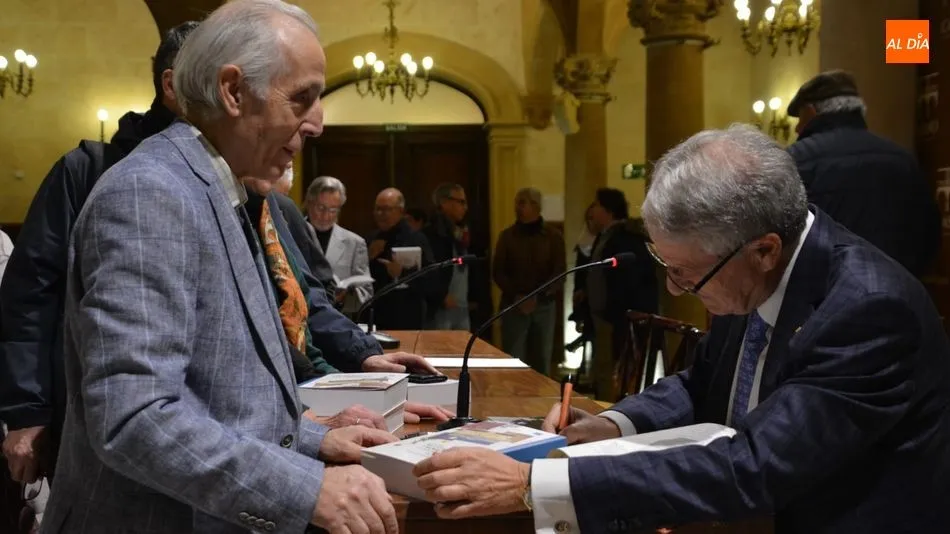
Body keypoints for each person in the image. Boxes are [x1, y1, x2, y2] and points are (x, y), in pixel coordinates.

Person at [412, 124, 950, 534]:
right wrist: (615, 424)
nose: (674, 289)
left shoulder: (869, 310)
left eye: (687, 273)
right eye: (665, 265)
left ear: (764, 250)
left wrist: (532, 484)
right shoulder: (754, 272)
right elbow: (701, 383)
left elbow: (754, 468)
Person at [42, 2, 403, 532]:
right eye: (302, 97)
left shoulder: (219, 187)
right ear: (234, 91)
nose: (318, 123)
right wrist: (304, 489)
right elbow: (135, 418)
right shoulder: (150, 193)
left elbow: (219, 392)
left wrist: (315, 438)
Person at [0, 21, 200, 490]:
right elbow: (30, 294)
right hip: (86, 413)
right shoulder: (87, 169)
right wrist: (27, 412)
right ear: (172, 85)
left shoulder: (225, 175)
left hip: (192, 423)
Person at [787, 69, 940, 276]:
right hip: (898, 287)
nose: (797, 128)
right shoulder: (903, 160)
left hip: (824, 291)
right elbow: (929, 235)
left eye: (800, 117)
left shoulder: (797, 160)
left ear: (811, 111)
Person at [583, 188, 658, 400]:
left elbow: (628, 281)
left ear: (608, 210)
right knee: (603, 370)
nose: (592, 210)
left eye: (597, 205)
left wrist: (616, 313)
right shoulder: (606, 236)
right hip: (603, 317)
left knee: (614, 372)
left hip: (617, 319)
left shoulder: (625, 238)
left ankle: (610, 410)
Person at [492, 188, 566, 375]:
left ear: (536, 206)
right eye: (517, 203)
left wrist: (538, 296)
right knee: (513, 358)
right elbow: (498, 271)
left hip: (543, 306)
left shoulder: (553, 237)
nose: (518, 208)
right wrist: (517, 296)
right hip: (514, 304)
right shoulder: (507, 236)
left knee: (541, 359)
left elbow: (559, 272)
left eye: (523, 203)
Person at [365, 187, 435, 330]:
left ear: (401, 211)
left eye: (387, 209)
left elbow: (431, 280)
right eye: (378, 209)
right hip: (374, 315)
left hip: (405, 317)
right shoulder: (371, 238)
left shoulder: (415, 239)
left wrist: (402, 273)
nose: (381, 214)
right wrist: (368, 257)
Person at [305, 176, 372, 315]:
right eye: (321, 208)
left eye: (333, 210)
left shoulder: (355, 243)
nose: (326, 216)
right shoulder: (291, 234)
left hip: (338, 318)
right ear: (309, 203)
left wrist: (345, 298)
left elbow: (366, 294)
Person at [423, 183, 472, 331]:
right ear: (444, 202)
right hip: (441, 307)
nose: (465, 207)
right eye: (461, 202)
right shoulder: (432, 234)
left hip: (462, 305)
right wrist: (441, 296)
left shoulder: (461, 232)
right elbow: (427, 270)